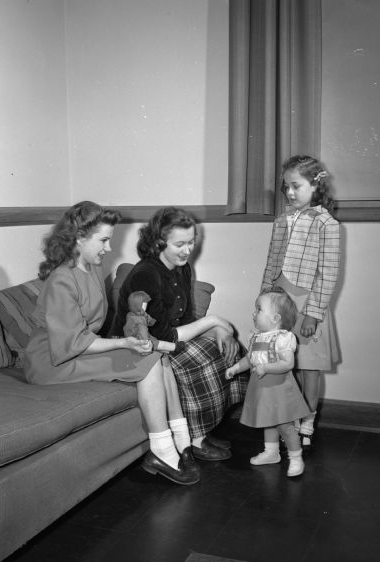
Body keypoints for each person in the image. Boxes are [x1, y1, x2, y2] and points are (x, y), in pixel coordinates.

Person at [23, 201, 199, 486]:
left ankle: (183, 441)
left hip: (79, 348)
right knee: (150, 358)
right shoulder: (61, 281)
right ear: (80, 237)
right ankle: (163, 451)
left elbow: (94, 327)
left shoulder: (91, 266)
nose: (108, 248)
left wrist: (126, 341)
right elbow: (73, 342)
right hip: (52, 360)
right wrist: (124, 343)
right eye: (104, 240)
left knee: (159, 356)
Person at [112, 206, 248, 461]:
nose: (188, 250)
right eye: (180, 244)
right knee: (197, 359)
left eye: (192, 242)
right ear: (159, 242)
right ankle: (195, 439)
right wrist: (215, 320)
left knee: (226, 348)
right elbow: (163, 334)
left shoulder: (182, 268)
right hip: (138, 345)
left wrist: (219, 330)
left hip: (164, 340)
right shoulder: (146, 274)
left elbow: (186, 320)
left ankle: (203, 430)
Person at [260, 155, 340, 451]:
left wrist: (312, 314)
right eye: (286, 187)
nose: (290, 193)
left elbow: (328, 273)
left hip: (308, 302)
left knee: (309, 366)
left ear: (315, 186)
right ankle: (288, 417)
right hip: (281, 299)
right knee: (281, 361)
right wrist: (264, 300)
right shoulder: (282, 220)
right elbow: (271, 263)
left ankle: (308, 418)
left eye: (296, 186)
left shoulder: (326, 224)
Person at [225, 288, 310, 477]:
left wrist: (266, 368)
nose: (253, 313)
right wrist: (236, 368)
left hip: (279, 388)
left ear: (275, 318)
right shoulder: (256, 337)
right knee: (268, 422)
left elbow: (288, 363)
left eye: (259, 309)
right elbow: (250, 359)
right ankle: (271, 453)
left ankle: (296, 458)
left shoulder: (282, 339)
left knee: (284, 425)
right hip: (262, 388)